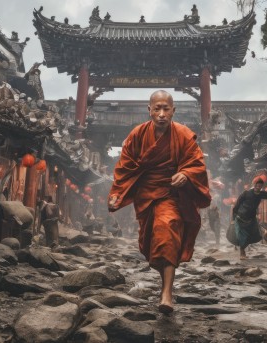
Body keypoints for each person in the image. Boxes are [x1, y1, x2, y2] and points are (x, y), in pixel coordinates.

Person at [108, 90, 211, 314]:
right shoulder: (137, 134)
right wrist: (117, 192)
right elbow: (125, 166)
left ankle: (167, 294)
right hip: (146, 196)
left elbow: (197, 163)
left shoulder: (183, 134)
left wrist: (186, 174)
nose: (162, 114)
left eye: (166, 109)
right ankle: (164, 279)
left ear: (173, 111)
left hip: (171, 194)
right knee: (153, 241)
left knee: (168, 230)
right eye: (157, 108)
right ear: (149, 110)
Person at [231, 177, 267, 259]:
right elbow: (236, 206)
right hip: (241, 217)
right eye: (257, 186)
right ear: (254, 185)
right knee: (242, 236)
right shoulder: (246, 193)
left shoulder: (261, 194)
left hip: (251, 218)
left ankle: (244, 248)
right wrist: (233, 218)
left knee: (251, 235)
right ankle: (242, 252)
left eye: (260, 186)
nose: (259, 187)